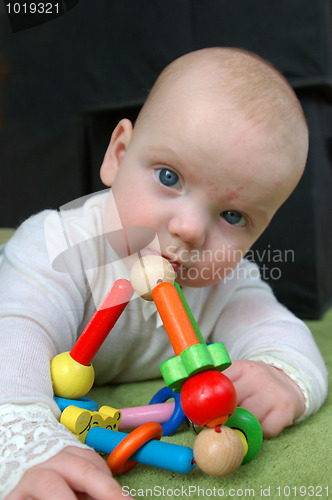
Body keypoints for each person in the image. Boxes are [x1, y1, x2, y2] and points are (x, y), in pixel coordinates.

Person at [0, 47, 327, 499]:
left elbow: (284, 335)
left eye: (232, 217)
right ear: (118, 155)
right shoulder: (57, 246)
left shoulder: (225, 282)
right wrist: (23, 436)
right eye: (170, 177)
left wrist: (282, 376)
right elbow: (15, 329)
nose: (190, 230)